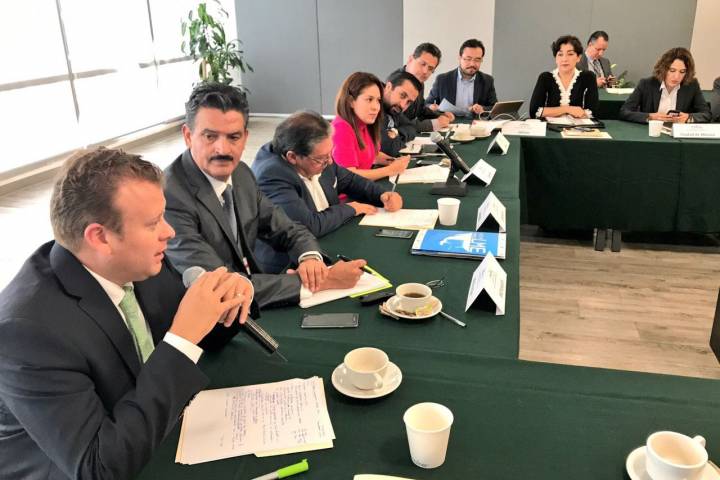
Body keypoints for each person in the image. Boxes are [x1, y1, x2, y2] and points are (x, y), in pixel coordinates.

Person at [0, 148, 248, 479]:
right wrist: (182, 339)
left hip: (146, 427)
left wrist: (224, 304)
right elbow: (100, 467)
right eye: (153, 223)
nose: (169, 232)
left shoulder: (138, 261)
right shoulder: (27, 332)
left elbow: (197, 336)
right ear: (100, 237)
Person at [163, 83, 365, 302]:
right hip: (204, 315)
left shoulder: (241, 173)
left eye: (233, 137)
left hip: (252, 295)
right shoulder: (170, 196)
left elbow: (287, 228)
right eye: (210, 136)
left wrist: (310, 259)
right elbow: (220, 287)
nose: (223, 149)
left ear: (245, 138)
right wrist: (323, 281)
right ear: (188, 136)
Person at [252, 111, 403, 267]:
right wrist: (351, 208)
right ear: (292, 157)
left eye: (329, 153)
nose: (330, 161)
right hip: (292, 265)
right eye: (322, 158)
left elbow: (350, 180)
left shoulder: (318, 157)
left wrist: (382, 195)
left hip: (330, 238)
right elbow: (308, 225)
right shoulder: (272, 175)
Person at [331, 72, 410, 181]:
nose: (376, 107)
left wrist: (393, 161)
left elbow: (373, 155)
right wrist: (391, 170)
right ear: (351, 101)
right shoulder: (341, 128)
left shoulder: (364, 123)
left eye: (378, 100)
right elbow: (348, 176)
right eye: (369, 99)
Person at [619, 47, 711, 124]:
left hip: (677, 135)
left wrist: (688, 117)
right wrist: (650, 117)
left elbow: (706, 114)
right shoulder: (646, 84)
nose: (676, 76)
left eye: (682, 72)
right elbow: (624, 112)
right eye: (672, 70)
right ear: (663, 69)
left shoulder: (692, 85)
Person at [529, 35, 599, 119]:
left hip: (579, 126)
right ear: (555, 58)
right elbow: (534, 111)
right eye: (560, 54)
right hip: (550, 126)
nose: (564, 59)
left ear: (578, 57)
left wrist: (550, 112)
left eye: (570, 54)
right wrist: (567, 109)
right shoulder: (545, 78)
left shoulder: (588, 77)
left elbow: (592, 112)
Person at [388, 42, 454, 131]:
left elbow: (420, 110)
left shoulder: (419, 81)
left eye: (430, 69)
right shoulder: (397, 82)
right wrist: (432, 124)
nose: (425, 71)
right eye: (422, 64)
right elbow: (397, 124)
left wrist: (440, 115)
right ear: (410, 60)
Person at [425, 38, 497, 116]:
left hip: (475, 122)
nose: (472, 64)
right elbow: (427, 104)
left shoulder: (487, 80)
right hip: (449, 122)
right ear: (459, 58)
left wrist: (482, 109)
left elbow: (494, 108)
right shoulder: (442, 80)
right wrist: (432, 107)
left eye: (477, 60)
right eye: (468, 59)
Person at [380, 70, 424, 158]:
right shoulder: (373, 108)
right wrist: (395, 140)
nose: (403, 105)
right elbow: (389, 148)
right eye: (402, 95)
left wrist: (395, 132)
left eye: (409, 102)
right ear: (388, 87)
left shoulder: (393, 108)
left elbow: (411, 128)